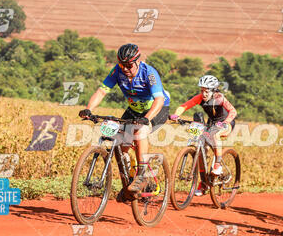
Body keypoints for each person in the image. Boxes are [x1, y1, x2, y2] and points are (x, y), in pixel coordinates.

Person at [79, 44, 170, 198]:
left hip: (157, 109)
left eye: (128, 65)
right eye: (122, 65)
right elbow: (102, 91)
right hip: (134, 110)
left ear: (137, 62)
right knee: (120, 145)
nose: (125, 69)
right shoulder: (117, 71)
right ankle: (128, 183)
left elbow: (159, 100)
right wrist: (89, 109)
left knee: (140, 130)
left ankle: (141, 175)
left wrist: (147, 118)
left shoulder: (149, 73)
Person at [169, 75, 237, 196]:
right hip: (212, 123)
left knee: (215, 135)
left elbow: (233, 111)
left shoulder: (219, 98)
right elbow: (185, 106)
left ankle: (218, 165)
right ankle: (204, 183)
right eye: (202, 90)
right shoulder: (200, 98)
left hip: (226, 122)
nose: (203, 94)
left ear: (214, 91)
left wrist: (225, 122)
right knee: (201, 149)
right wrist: (176, 115)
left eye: (206, 91)